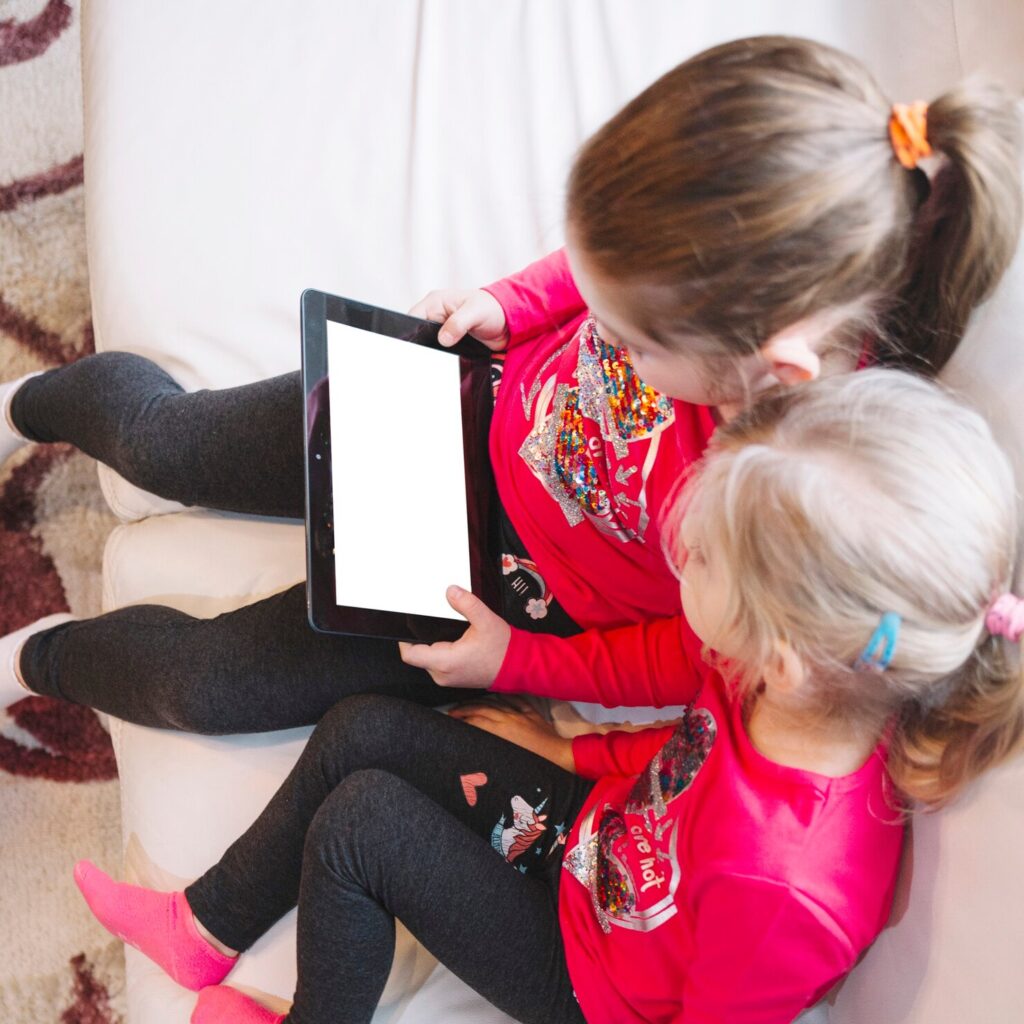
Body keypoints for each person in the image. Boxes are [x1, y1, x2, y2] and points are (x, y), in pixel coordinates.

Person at [0, 36, 1019, 730]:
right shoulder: (722, 272)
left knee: (211, 684)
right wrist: (512, 303)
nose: (604, 334)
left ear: (769, 373)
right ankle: (19, 409)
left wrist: (513, 664)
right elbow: (605, 266)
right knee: (164, 443)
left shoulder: (805, 502)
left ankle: (32, 664)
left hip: (491, 599)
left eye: (628, 338)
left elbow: (686, 653)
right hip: (450, 409)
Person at [74, 370, 1024, 1023]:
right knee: (363, 727)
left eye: (697, 563)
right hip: (597, 842)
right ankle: (205, 925)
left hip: (590, 978)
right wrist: (572, 751)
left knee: (361, 827)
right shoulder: (788, 683)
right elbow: (683, 758)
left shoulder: (786, 886)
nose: (675, 558)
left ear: (776, 654)